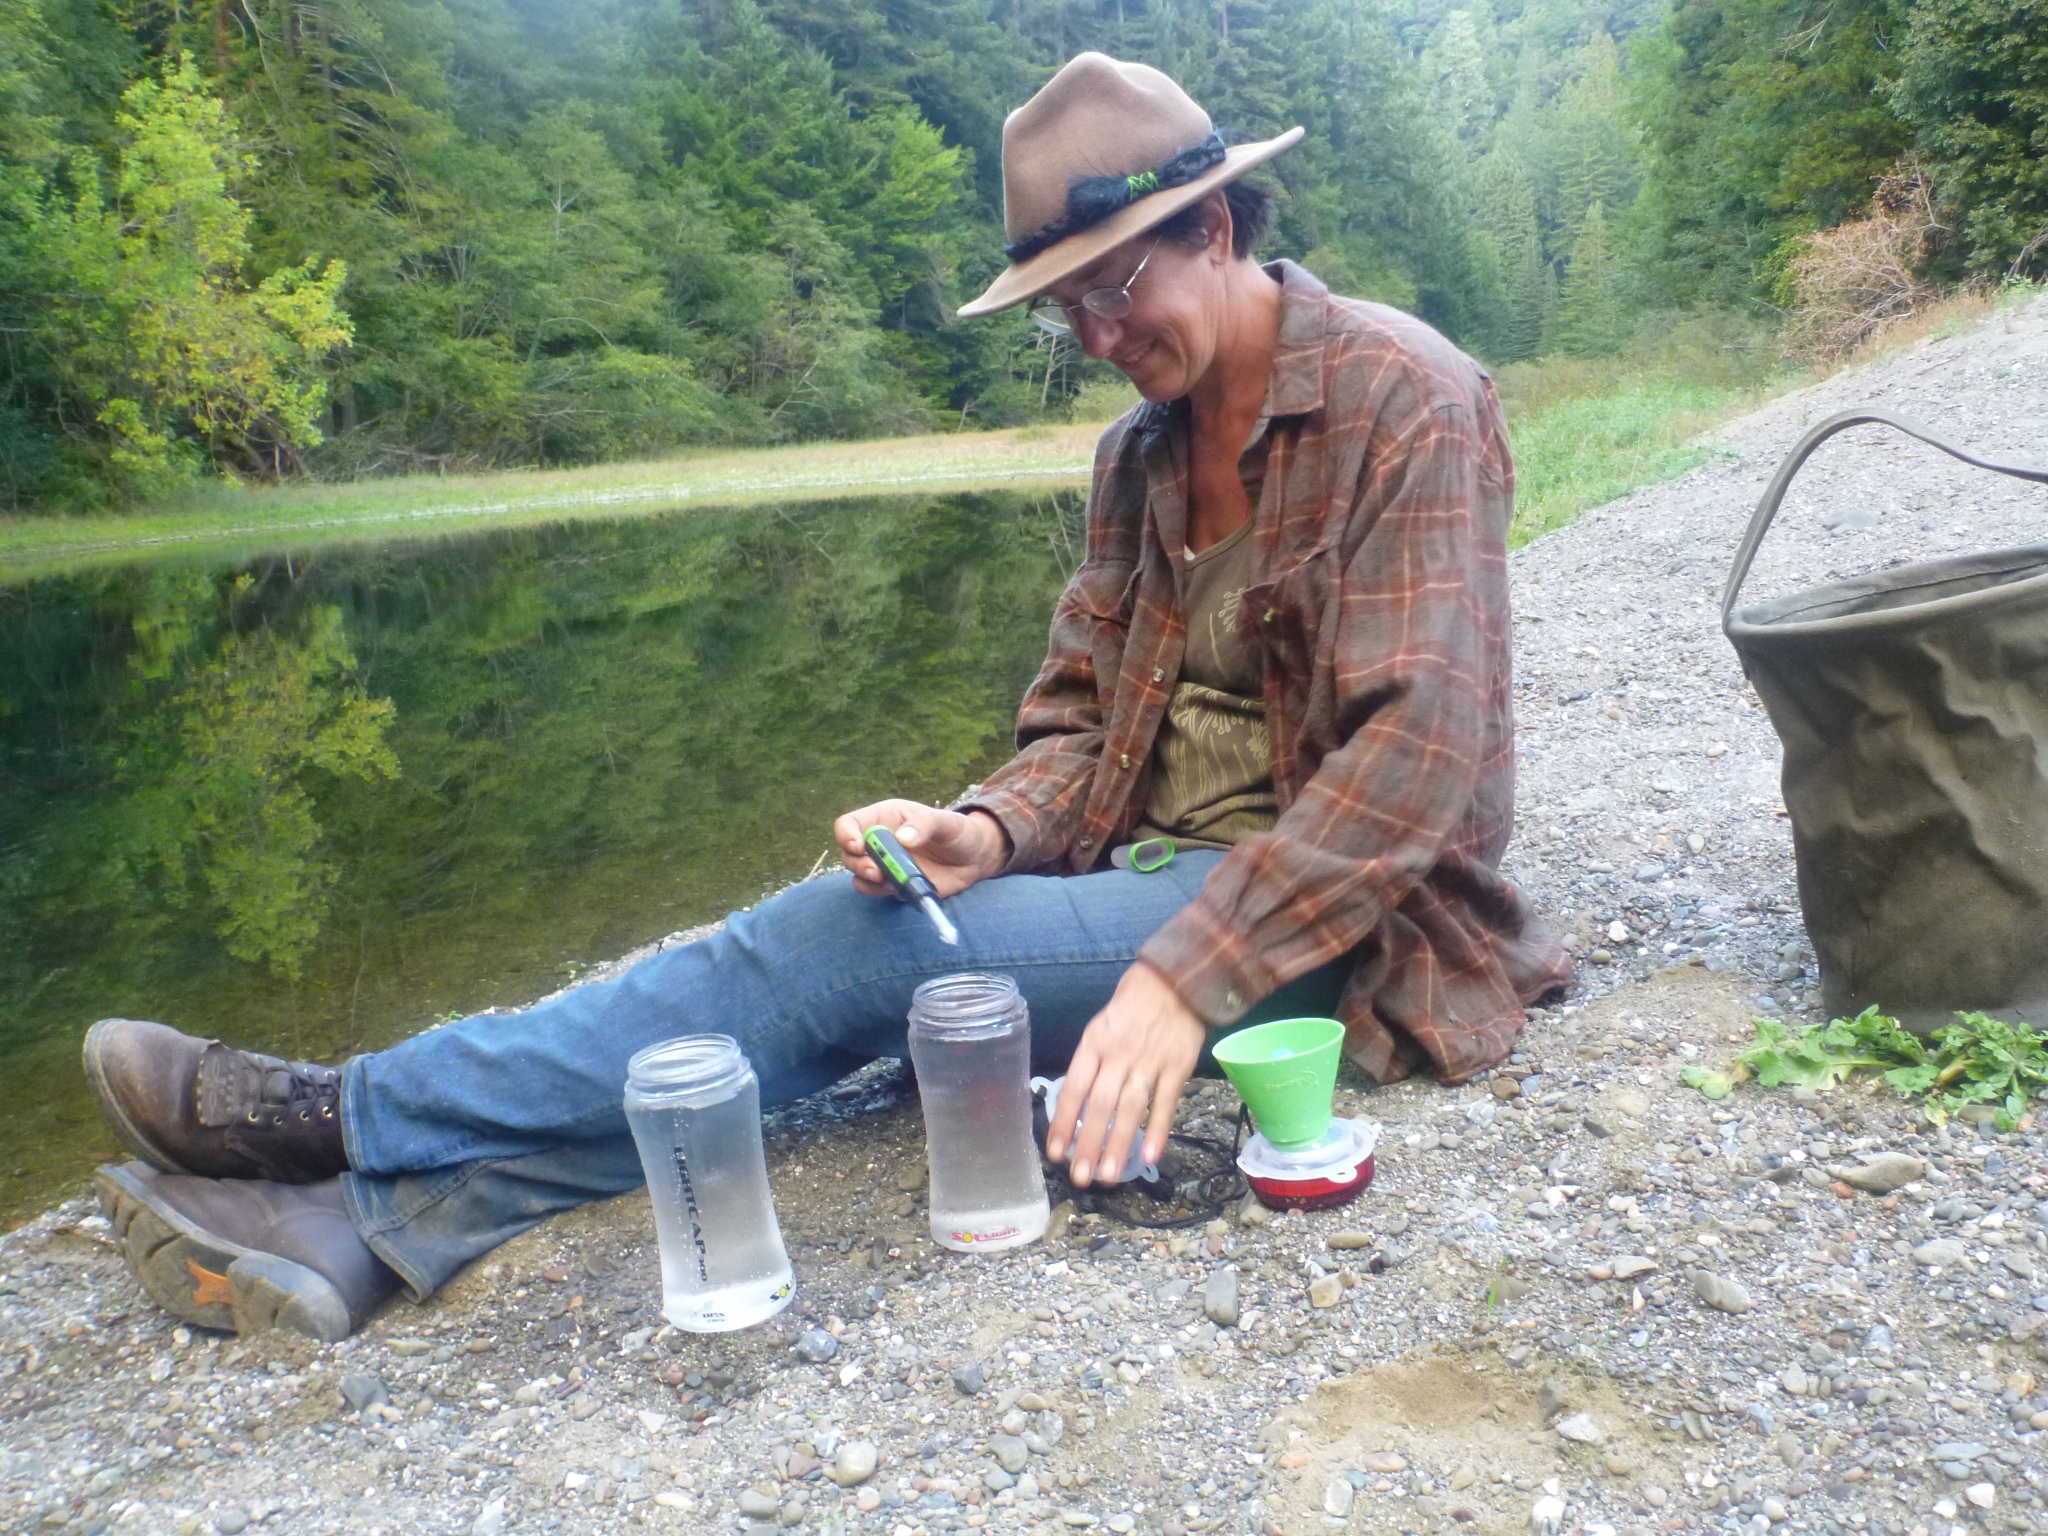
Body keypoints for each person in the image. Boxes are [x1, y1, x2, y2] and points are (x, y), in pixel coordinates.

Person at [83, 52, 1569, 1342]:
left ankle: (337, 1115)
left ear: (1218, 226)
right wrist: (985, 831)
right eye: (1067, 311)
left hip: (1337, 928)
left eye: (1116, 289)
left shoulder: (1403, 396)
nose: (1099, 340)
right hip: (1140, 878)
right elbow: (1077, 722)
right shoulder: (1138, 456)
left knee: (845, 960)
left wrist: (1182, 979)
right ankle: (365, 1230)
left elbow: (1415, 762)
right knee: (838, 998)